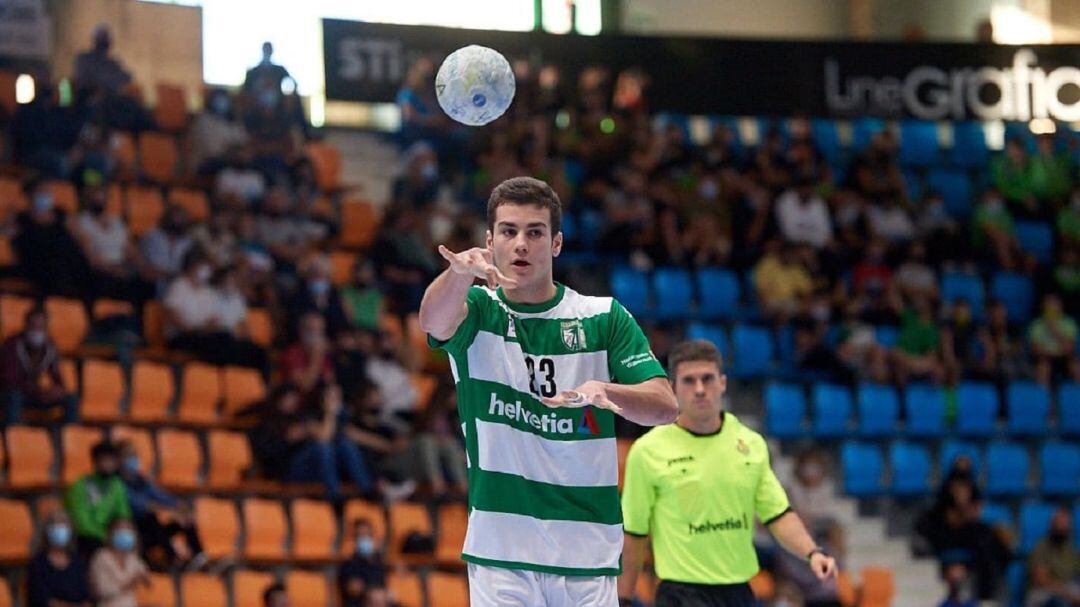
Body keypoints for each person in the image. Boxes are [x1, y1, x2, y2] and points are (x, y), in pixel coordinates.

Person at [420, 176, 678, 606]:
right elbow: (432, 321)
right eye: (509, 231)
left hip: (587, 552)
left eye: (535, 232)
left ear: (555, 244)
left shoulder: (603, 317)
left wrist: (607, 391)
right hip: (501, 551)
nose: (521, 244)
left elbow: (665, 407)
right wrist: (457, 273)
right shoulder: (478, 312)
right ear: (491, 241)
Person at [618, 340, 837, 607]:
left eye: (707, 379)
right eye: (689, 381)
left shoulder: (751, 444)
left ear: (722, 383)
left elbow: (778, 514)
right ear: (673, 388)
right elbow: (634, 534)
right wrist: (624, 598)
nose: (700, 389)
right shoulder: (647, 452)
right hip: (680, 594)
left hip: (738, 593)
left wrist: (812, 552)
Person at [116, 440, 204, 569]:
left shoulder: (141, 480)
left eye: (134, 455)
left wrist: (179, 506)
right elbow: (139, 505)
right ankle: (173, 558)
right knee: (151, 518)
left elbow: (161, 496)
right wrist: (167, 511)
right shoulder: (116, 483)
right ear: (119, 459)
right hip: (135, 530)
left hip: (155, 531)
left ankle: (199, 556)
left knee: (184, 520)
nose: (132, 459)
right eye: (128, 455)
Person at [1, 305, 79, 424]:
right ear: (26, 325)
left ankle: (67, 434)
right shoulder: (12, 345)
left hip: (35, 394)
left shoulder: (50, 347)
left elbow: (57, 376)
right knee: (13, 396)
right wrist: (38, 391)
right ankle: (13, 433)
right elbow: (9, 379)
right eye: (33, 326)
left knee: (71, 399)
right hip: (12, 393)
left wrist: (56, 390)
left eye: (40, 326)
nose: (36, 330)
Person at [66, 441, 132, 556]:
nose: (108, 465)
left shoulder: (117, 486)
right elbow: (82, 524)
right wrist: (105, 537)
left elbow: (123, 515)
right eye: (104, 460)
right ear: (95, 462)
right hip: (85, 539)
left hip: (109, 537)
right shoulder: (80, 486)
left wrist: (118, 533)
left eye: (111, 461)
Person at [27, 509, 92, 607]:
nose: (59, 528)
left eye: (63, 524)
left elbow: (86, 596)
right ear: (47, 530)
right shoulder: (38, 563)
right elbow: (41, 599)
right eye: (54, 524)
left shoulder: (77, 562)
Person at [88, 518, 149, 607]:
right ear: (111, 533)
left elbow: (145, 576)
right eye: (121, 530)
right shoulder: (101, 557)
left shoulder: (133, 559)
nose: (125, 533)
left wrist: (144, 578)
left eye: (129, 530)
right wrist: (128, 584)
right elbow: (101, 591)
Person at [1026, 507, 1080, 607]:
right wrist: (1067, 594)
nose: (1062, 528)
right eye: (1059, 524)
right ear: (1052, 525)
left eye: (1065, 525)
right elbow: (1041, 580)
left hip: (1067, 589)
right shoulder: (1041, 547)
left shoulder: (1070, 548)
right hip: (1043, 592)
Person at [1027, 294, 1080, 385]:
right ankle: (1042, 396)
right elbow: (1035, 349)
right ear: (1044, 307)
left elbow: (1070, 348)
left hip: (1064, 358)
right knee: (1043, 367)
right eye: (1049, 305)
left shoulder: (1069, 323)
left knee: (1076, 366)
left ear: (1060, 306)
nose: (1051, 308)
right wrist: (1051, 352)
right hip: (1044, 358)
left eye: (1054, 305)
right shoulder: (1037, 325)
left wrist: (1054, 331)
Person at [338, 518, 388, 607]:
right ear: (355, 539)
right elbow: (353, 588)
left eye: (367, 535)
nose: (365, 539)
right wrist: (371, 592)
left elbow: (384, 585)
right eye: (360, 535)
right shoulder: (349, 563)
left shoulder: (378, 562)